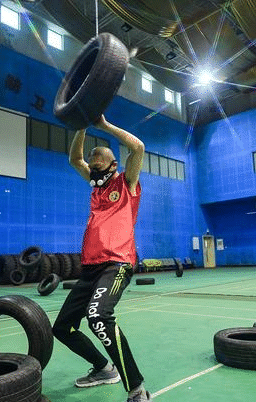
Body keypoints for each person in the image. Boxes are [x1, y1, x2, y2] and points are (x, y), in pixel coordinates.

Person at [52, 115, 150, 402]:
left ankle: (137, 388)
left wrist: (103, 125)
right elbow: (74, 159)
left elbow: (138, 148)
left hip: (117, 263)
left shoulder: (127, 184)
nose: (93, 169)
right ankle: (104, 368)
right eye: (91, 166)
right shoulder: (96, 188)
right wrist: (81, 125)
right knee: (63, 328)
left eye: (98, 165)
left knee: (98, 317)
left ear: (112, 166)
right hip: (91, 269)